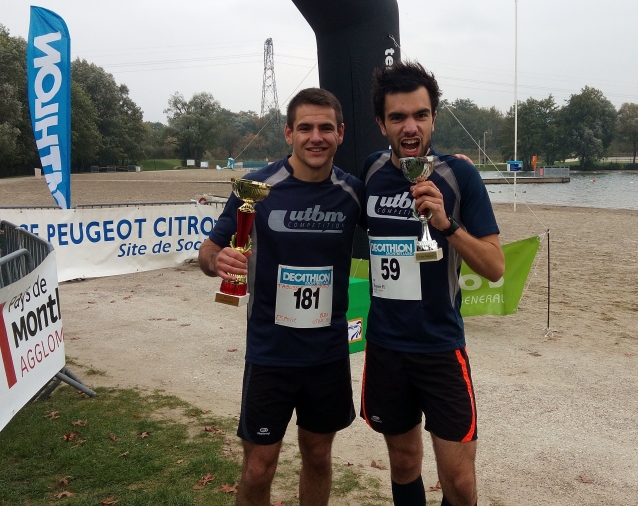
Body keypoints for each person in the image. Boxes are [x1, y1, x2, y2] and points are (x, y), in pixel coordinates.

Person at [198, 88, 363, 506]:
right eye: (305, 127)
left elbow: (401, 201)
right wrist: (220, 261)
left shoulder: (352, 193)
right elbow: (208, 251)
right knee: (257, 468)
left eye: (326, 128)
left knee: (319, 457)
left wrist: (444, 170)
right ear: (289, 133)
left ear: (340, 134)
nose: (316, 137)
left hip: (327, 354)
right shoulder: (256, 188)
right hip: (271, 353)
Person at [359, 61, 505, 506]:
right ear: (381, 122)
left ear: (434, 118)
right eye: (399, 117)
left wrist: (447, 225)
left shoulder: (460, 176)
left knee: (459, 482)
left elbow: (495, 267)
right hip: (386, 348)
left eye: (420, 115)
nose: (410, 127)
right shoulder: (369, 172)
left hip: (441, 348)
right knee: (403, 463)